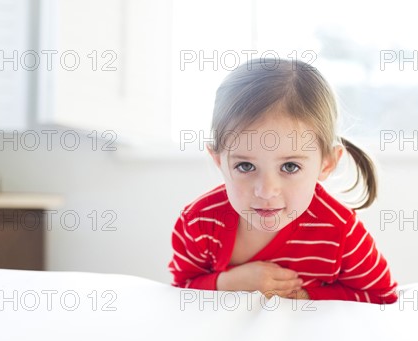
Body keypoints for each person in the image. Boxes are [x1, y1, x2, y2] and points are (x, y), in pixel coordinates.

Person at [168, 58, 398, 304]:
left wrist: (303, 296)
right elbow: (182, 289)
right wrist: (228, 283)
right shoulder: (199, 221)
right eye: (245, 166)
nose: (266, 191)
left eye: (290, 166)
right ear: (218, 161)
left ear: (327, 163)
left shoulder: (340, 230)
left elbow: (381, 295)